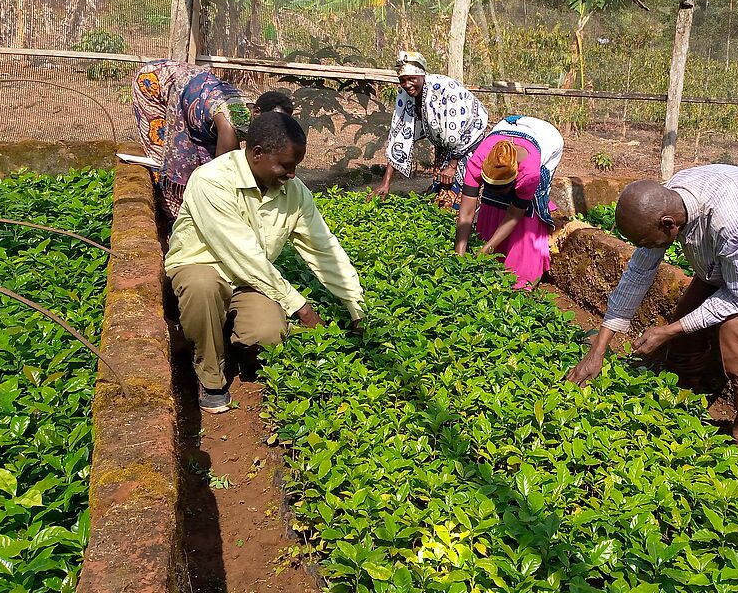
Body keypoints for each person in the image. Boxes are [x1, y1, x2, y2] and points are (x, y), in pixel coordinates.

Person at [565, 165, 738, 456]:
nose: (647, 249)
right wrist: (598, 350)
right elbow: (637, 274)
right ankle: (683, 391)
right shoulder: (671, 203)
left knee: (736, 330)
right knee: (688, 315)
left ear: (668, 224)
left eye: (648, 242)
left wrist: (668, 331)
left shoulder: (730, 223)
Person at [164, 111, 365, 414]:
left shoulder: (294, 192)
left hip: (248, 281)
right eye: (285, 165)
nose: (292, 174)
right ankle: (210, 376)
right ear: (256, 154)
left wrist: (355, 306)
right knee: (204, 288)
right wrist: (303, 309)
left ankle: (231, 341)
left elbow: (325, 249)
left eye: (296, 166)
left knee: (269, 332)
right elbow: (244, 255)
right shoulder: (212, 180)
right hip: (200, 267)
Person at [131, 59, 252, 218]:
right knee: (164, 160)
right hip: (152, 83)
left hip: (186, 84)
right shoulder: (228, 126)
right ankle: (170, 217)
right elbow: (222, 178)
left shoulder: (254, 110)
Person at [454, 115, 564, 288]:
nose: (494, 191)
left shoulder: (529, 173)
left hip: (546, 136)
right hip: (509, 126)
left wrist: (487, 248)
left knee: (530, 205)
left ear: (516, 177)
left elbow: (514, 214)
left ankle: (523, 268)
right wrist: (458, 256)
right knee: (492, 199)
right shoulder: (476, 163)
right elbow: (466, 214)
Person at [375, 51, 488, 206]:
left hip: (468, 139)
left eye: (412, 79)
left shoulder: (444, 89)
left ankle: (469, 224)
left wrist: (452, 166)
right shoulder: (406, 95)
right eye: (402, 80)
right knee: (440, 196)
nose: (407, 84)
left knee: (462, 199)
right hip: (445, 145)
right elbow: (399, 135)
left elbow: (458, 129)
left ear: (423, 75)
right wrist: (386, 182)